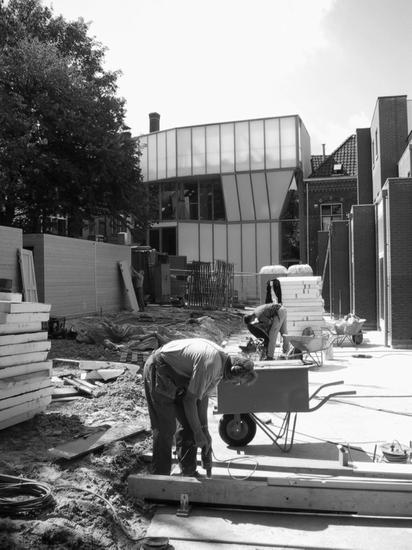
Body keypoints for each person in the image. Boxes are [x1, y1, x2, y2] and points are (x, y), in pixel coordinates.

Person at [143, 338, 257, 476]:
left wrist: (204, 430)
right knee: (165, 428)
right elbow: (189, 401)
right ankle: (160, 477)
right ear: (234, 371)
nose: (235, 385)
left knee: (190, 426)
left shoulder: (221, 366)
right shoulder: (211, 365)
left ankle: (188, 472)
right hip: (159, 370)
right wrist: (198, 433)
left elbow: (202, 398)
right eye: (238, 382)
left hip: (176, 377)